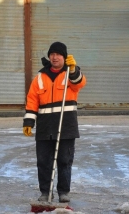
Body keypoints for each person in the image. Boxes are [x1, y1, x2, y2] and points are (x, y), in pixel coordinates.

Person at [23, 42, 87, 203]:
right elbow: (32, 101)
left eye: (59, 54)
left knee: (64, 161)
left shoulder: (70, 74)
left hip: (66, 126)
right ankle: (45, 192)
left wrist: (73, 69)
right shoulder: (39, 78)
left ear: (64, 57)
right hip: (45, 126)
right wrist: (29, 121)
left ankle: (63, 192)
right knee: (43, 161)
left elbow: (80, 83)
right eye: (52, 54)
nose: (55, 57)